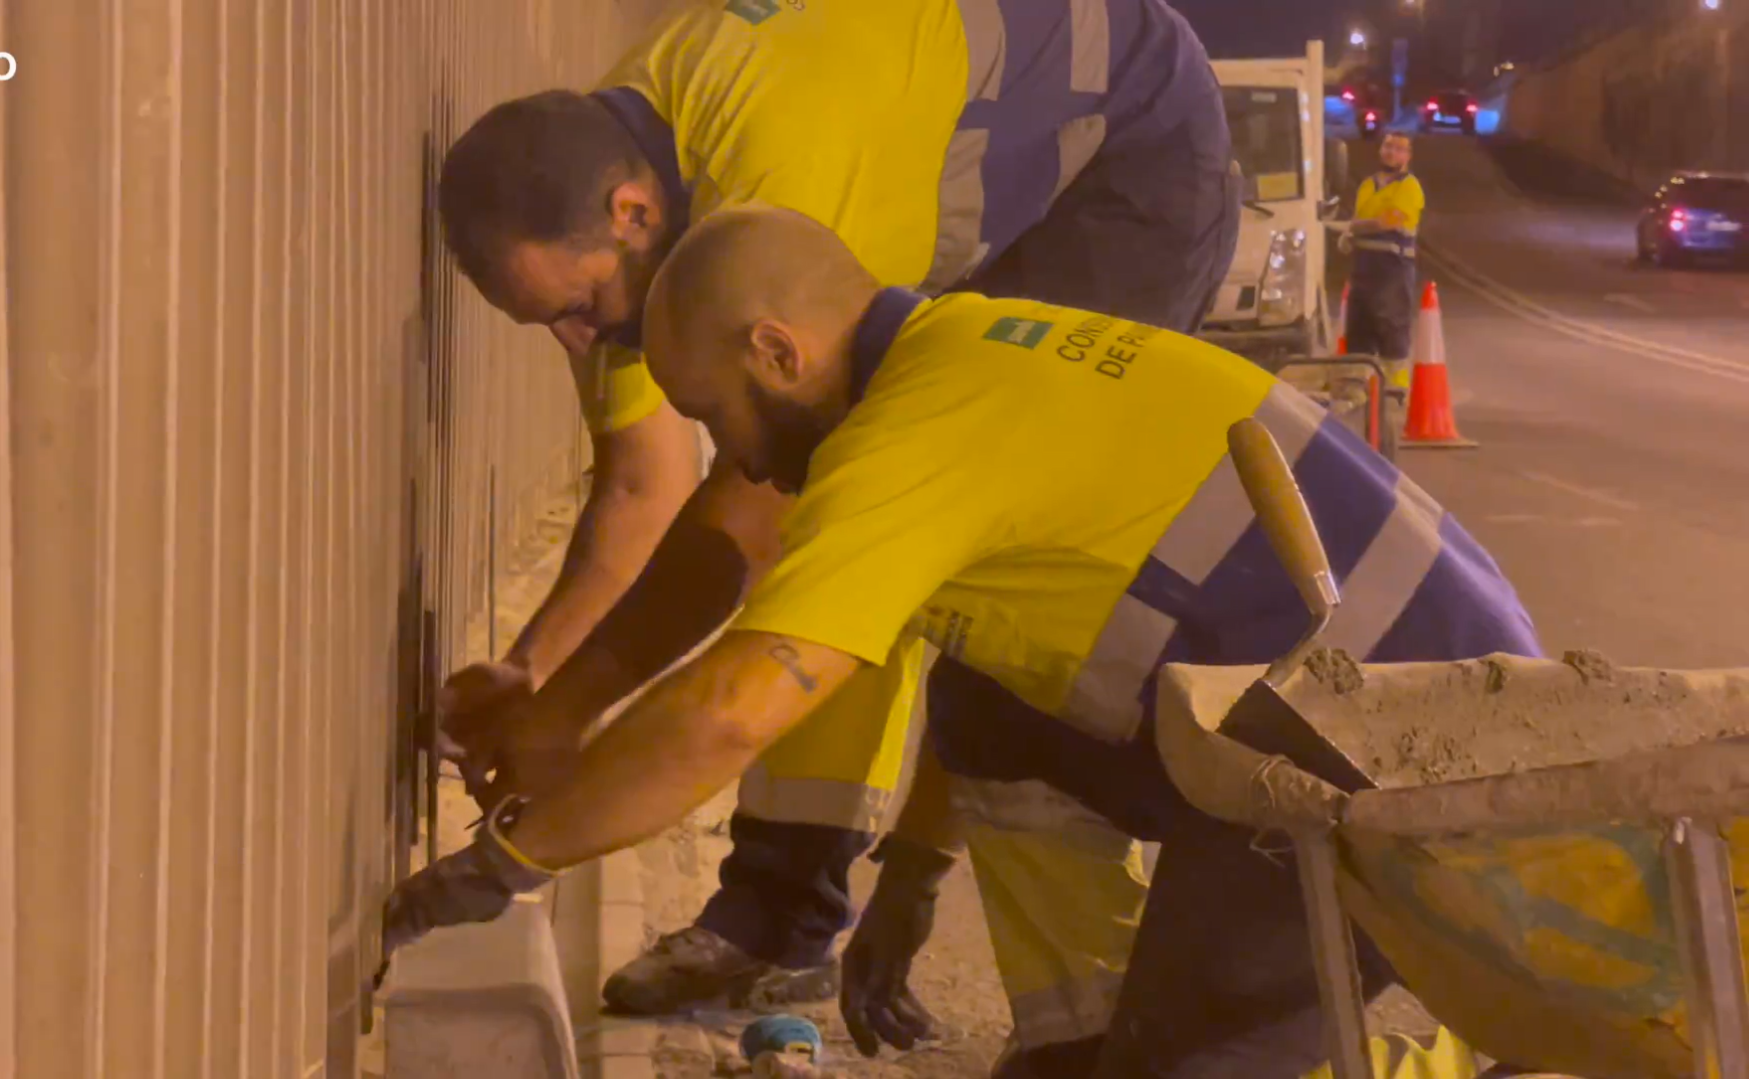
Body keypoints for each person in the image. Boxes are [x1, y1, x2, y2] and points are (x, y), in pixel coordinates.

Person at [381, 205, 1545, 1077]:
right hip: (1330, 710)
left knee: (1196, 1064)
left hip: (1389, 769)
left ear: (779, 353)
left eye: (715, 416)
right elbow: (1011, 675)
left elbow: (735, 705)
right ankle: (1080, 1039)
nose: (733, 460)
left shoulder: (910, 434)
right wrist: (911, 877)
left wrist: (499, 866)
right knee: (985, 699)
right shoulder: (969, 348)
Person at [432, 0, 1242, 1017]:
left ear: (634, 213)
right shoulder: (620, 186)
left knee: (897, 516)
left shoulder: (783, 162)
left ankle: (1082, 1015)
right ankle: (781, 911)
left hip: (1124, 160)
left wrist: (567, 722)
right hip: (982, 160)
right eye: (546, 318)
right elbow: (642, 482)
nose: (578, 343)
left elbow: (755, 511)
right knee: (853, 496)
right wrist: (535, 671)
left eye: (578, 308)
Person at [1341, 132, 1425, 364]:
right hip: (1363, 273)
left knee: (1392, 339)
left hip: (1393, 274)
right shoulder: (1368, 184)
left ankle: (1394, 396)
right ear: (1380, 150)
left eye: (1399, 149)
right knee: (1358, 340)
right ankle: (1358, 395)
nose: (1391, 152)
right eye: (1388, 146)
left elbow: (1388, 222)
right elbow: (1363, 221)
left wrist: (1350, 227)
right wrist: (1350, 234)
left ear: (1407, 156)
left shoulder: (1410, 187)